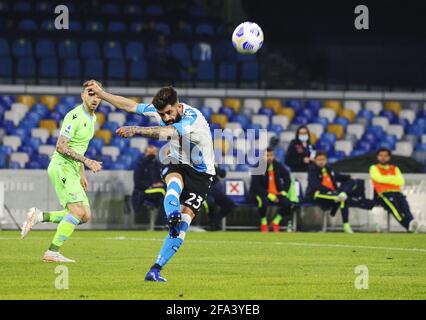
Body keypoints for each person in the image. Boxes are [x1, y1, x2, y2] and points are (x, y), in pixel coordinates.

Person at [86, 82, 215, 282]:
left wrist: (136, 129)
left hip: (202, 174)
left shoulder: (193, 119)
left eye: (168, 113)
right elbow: (130, 106)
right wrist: (102, 94)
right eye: (162, 114)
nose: (166, 117)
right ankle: (172, 214)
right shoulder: (162, 112)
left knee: (183, 226)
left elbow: (167, 132)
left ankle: (155, 270)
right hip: (177, 162)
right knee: (173, 183)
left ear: (178, 105)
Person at [20, 80, 103, 262]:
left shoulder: (93, 118)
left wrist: (81, 173)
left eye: (98, 95)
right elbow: (61, 146)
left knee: (85, 216)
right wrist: (87, 161)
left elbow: (79, 147)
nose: (95, 98)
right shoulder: (74, 116)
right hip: (62, 166)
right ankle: (51, 252)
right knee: (77, 212)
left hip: (73, 168)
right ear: (82, 96)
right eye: (91, 94)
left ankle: (39, 216)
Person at [306, 152, 361, 234]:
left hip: (333, 193)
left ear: (326, 160)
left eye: (323, 159)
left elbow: (337, 176)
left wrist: (349, 177)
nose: (321, 162)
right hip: (318, 194)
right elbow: (315, 185)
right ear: (315, 160)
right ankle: (339, 206)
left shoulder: (328, 168)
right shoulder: (312, 170)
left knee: (351, 183)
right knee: (342, 198)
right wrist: (330, 191)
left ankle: (346, 225)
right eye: (319, 160)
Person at [370, 147, 421, 232]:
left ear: (389, 157)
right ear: (377, 157)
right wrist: (392, 179)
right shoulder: (374, 168)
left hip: (397, 192)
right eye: (381, 155)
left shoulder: (394, 168)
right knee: (395, 210)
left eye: (385, 156)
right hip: (383, 194)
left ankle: (412, 223)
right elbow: (378, 179)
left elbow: (401, 181)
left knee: (406, 208)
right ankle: (409, 226)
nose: (383, 157)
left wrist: (385, 179)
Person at [249, 148, 294, 232]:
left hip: (276, 193)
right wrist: (268, 194)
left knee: (288, 203)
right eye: (267, 155)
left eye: (271, 155)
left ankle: (275, 222)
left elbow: (287, 178)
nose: (269, 157)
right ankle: (264, 222)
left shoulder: (278, 165)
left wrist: (284, 191)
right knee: (263, 202)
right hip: (260, 193)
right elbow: (256, 185)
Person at [132, 145, 165, 217]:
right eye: (150, 153)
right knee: (162, 193)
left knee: (165, 196)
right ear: (145, 153)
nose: (152, 155)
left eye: (153, 153)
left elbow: (163, 179)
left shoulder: (159, 165)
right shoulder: (140, 165)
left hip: (158, 191)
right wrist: (151, 185)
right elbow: (138, 182)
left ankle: (166, 223)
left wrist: (161, 184)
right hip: (143, 191)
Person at [205, 165, 235, 231]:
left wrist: (216, 169)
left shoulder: (213, 164)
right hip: (204, 192)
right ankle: (212, 224)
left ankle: (215, 221)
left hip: (216, 192)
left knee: (230, 204)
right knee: (210, 203)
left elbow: (223, 174)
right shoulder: (200, 163)